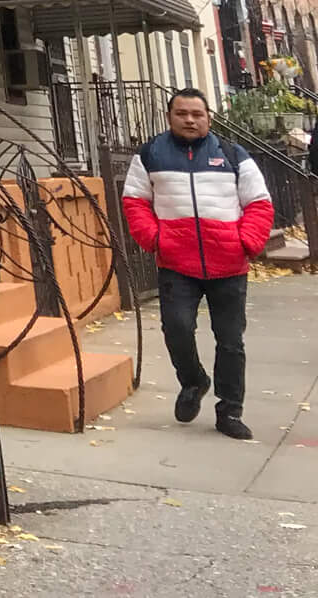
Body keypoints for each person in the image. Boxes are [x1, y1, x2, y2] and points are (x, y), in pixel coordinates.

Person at [121, 88, 274, 440]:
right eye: (182, 113)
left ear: (208, 116)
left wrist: (246, 243)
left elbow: (260, 203)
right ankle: (193, 382)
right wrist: (156, 240)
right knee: (176, 329)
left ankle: (230, 411)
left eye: (197, 113)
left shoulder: (233, 154)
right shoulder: (150, 154)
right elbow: (135, 200)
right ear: (170, 116)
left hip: (229, 266)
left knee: (231, 342)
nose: (190, 119)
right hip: (177, 264)